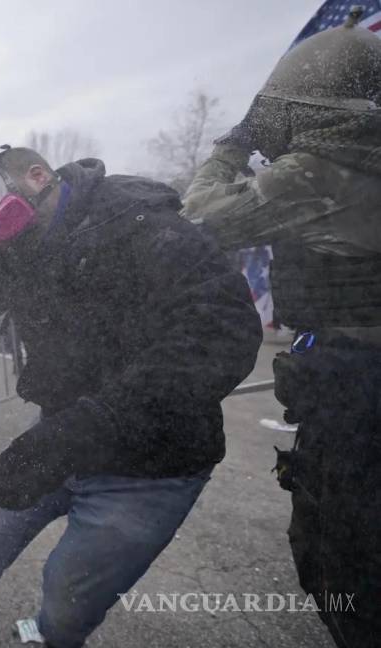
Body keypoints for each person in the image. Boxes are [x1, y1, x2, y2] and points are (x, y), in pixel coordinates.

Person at [0, 145, 262, 647]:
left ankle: (44, 637)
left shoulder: (137, 222)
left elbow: (222, 329)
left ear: (37, 175)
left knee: (68, 594)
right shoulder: (21, 250)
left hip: (149, 466)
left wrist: (91, 426)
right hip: (61, 437)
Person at [182, 17, 381, 647]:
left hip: (359, 384)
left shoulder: (318, 173)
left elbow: (204, 215)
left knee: (339, 554)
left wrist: (230, 145)